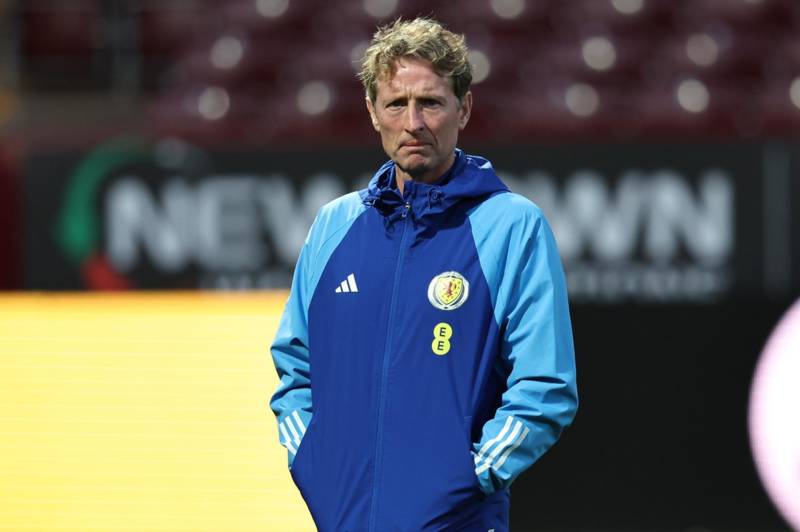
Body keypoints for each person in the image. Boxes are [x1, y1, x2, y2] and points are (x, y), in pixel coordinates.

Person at [270, 17, 578, 532]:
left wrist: (465, 479)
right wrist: (313, 464)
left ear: (465, 108)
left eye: (431, 102)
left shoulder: (511, 225)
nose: (413, 122)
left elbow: (546, 385)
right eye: (396, 104)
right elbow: (294, 367)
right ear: (372, 112)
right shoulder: (334, 224)